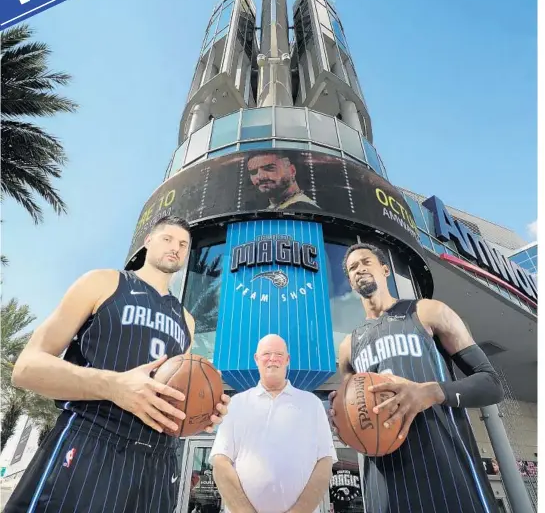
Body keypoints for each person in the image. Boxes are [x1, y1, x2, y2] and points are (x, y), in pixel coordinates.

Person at [7, 215, 230, 513]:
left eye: (183, 244)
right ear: (148, 241)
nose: (175, 248)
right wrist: (113, 386)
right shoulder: (104, 282)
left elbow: (176, 394)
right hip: (93, 439)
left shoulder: (186, 321)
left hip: (158, 461)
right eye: (167, 239)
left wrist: (200, 413)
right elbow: (26, 368)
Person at [330, 240, 504, 513]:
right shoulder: (348, 347)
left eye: (366, 262)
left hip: (446, 471)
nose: (359, 270)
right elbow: (353, 413)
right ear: (351, 282)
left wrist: (431, 392)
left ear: (385, 270)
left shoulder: (426, 311)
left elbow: (491, 384)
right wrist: (341, 417)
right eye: (353, 268)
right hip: (385, 484)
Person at [210, 334, 336, 513]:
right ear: (256, 359)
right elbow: (220, 463)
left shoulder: (312, 403)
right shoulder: (236, 403)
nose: (272, 359)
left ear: (287, 359)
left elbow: (325, 462)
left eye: (278, 354)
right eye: (266, 353)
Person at [247, 152, 319, 211]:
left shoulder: (305, 208)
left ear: (292, 171)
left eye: (269, 168)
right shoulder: (270, 208)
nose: (260, 177)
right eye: (253, 172)